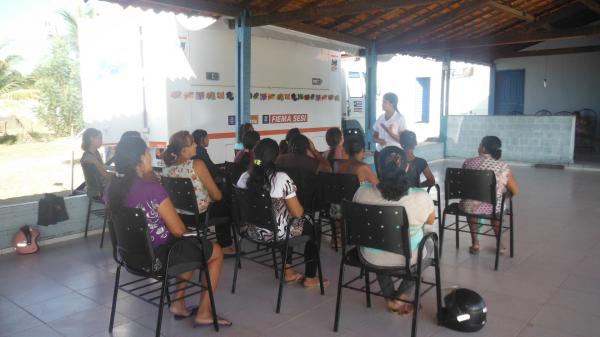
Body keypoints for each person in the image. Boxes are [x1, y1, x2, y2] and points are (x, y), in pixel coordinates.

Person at [106, 136, 231, 327]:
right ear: (140, 158)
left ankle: (178, 303)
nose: (149, 157)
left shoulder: (111, 189)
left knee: (190, 246)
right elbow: (178, 230)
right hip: (159, 257)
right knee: (214, 252)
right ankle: (204, 312)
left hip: (131, 257)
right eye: (147, 153)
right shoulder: (151, 188)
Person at [353, 147, 435, 315]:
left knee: (379, 241)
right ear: (406, 168)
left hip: (369, 256)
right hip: (407, 258)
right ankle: (400, 296)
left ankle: (391, 298)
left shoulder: (362, 192)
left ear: (378, 169)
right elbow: (430, 221)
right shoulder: (420, 196)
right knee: (429, 247)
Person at [237, 138, 328, 288]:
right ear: (276, 156)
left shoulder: (244, 177)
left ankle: (289, 271)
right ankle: (310, 277)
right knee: (312, 228)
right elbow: (298, 213)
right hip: (275, 234)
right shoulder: (281, 179)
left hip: (250, 231)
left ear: (255, 154)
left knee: (285, 221)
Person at [161, 131, 235, 255]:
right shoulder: (197, 165)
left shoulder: (166, 170)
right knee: (225, 205)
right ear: (184, 150)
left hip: (180, 216)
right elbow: (216, 196)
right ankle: (225, 245)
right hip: (201, 215)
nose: (196, 145)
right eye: (192, 144)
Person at [459, 136, 519, 255]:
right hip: (491, 207)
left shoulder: (467, 162)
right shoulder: (502, 167)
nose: (479, 146)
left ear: (484, 148)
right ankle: (500, 244)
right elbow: (515, 190)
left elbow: (463, 184)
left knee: (471, 203)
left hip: (467, 207)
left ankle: (475, 243)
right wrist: (502, 196)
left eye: (480, 144)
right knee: (496, 205)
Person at [372, 92, 407, 173]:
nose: (382, 104)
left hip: (394, 155)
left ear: (392, 104)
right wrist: (379, 140)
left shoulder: (400, 118)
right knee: (380, 178)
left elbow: (403, 140)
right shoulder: (380, 118)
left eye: (384, 102)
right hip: (379, 153)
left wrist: (390, 132)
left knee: (393, 179)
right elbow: (374, 137)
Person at [81, 128, 112, 195]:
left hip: (102, 187)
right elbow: (106, 175)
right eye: (100, 138)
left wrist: (117, 169)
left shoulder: (96, 152)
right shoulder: (89, 157)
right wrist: (119, 176)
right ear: (91, 139)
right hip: (96, 192)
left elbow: (102, 167)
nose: (102, 141)